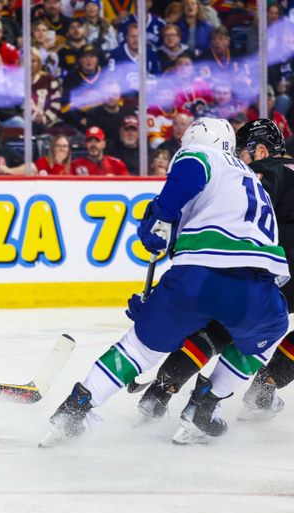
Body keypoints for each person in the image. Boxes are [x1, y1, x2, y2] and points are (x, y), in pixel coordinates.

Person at [42, 118, 290, 446]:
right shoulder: (251, 183)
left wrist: (161, 217)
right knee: (270, 330)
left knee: (138, 347)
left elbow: (180, 237)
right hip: (255, 282)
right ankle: (206, 404)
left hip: (196, 276)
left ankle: (75, 408)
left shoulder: (207, 159)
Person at [133, 119, 294, 426]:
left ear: (261, 151)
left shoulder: (265, 170)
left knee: (219, 328)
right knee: (248, 328)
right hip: (281, 270)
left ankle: (163, 391)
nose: (235, 161)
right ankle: (263, 389)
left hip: (273, 266)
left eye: (241, 154)